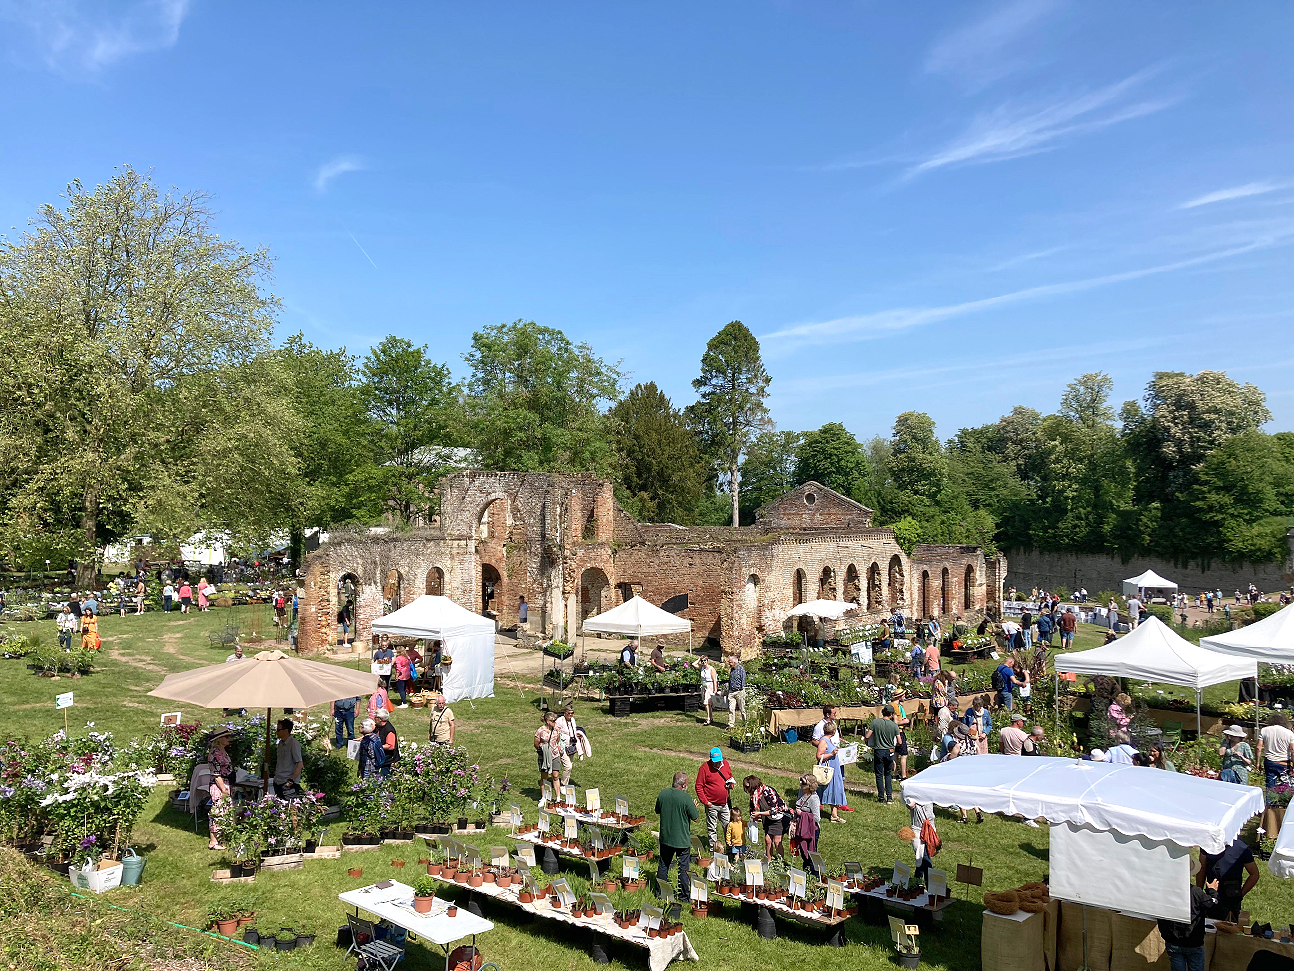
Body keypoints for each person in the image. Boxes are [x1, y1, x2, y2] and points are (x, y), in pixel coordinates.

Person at [1158, 861, 1218, 971]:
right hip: (1193, 942)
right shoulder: (1196, 892)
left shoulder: (1166, 891)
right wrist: (1212, 891)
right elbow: (1211, 904)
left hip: (1173, 940)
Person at [655, 771, 698, 902]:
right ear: (684, 785)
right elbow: (695, 817)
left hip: (666, 838)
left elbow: (657, 810)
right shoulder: (686, 799)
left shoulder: (663, 794)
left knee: (663, 866)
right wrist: (693, 806)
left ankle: (660, 893)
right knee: (683, 869)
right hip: (682, 840)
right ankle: (684, 896)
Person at [1199, 838, 1260, 922]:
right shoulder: (1207, 845)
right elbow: (1202, 868)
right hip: (1211, 894)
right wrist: (1199, 892)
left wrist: (1240, 895)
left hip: (1231, 898)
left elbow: (1254, 874)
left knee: (1229, 929)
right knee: (1209, 927)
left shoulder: (1241, 848)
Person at [695, 746, 735, 849]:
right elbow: (699, 786)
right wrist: (706, 802)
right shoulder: (704, 768)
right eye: (715, 761)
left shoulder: (725, 764)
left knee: (728, 826)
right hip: (711, 804)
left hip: (724, 803)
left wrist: (731, 785)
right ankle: (714, 848)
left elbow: (730, 776)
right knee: (712, 828)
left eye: (719, 761)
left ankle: (730, 847)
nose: (717, 763)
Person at [744, 774, 788, 861]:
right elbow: (752, 809)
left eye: (747, 786)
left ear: (753, 785)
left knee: (777, 841)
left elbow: (774, 810)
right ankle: (769, 861)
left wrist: (760, 813)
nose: (745, 789)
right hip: (768, 818)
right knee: (768, 840)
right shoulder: (754, 795)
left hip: (779, 817)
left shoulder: (767, 791)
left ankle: (781, 862)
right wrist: (755, 817)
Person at [205, 728, 235, 850]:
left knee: (225, 810)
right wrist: (223, 790)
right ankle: (213, 841)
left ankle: (221, 838)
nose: (229, 739)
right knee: (217, 811)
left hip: (226, 783)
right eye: (226, 737)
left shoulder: (223, 751)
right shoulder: (214, 753)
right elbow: (216, 774)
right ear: (219, 739)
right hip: (219, 785)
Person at [865, 707, 899, 806]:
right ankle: (889, 798)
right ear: (892, 714)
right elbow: (899, 741)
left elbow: (867, 736)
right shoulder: (894, 725)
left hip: (879, 750)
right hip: (889, 751)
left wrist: (867, 742)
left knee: (879, 775)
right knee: (888, 774)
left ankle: (881, 798)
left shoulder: (875, 722)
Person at [816, 718, 849, 819]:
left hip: (834, 768)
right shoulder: (823, 741)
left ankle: (834, 814)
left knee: (835, 789)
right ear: (833, 731)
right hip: (828, 768)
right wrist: (831, 753)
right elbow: (819, 756)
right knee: (825, 789)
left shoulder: (828, 740)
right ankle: (816, 811)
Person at [792, 774, 821, 876]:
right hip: (801, 828)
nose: (800, 784)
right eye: (800, 781)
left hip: (811, 830)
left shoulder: (814, 798)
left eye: (803, 782)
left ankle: (815, 875)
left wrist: (802, 814)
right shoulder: (801, 792)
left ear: (809, 785)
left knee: (811, 854)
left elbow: (817, 818)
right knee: (804, 853)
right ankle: (806, 874)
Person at [1258, 714, 1294, 788]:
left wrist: (1258, 763)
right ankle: (1285, 799)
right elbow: (1293, 750)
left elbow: (1258, 747)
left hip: (1270, 761)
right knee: (1286, 785)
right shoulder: (1289, 733)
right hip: (1284, 762)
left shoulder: (1264, 730)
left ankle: (1269, 799)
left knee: (1270, 785)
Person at [273, 719, 304, 795]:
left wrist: (290, 781)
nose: (276, 732)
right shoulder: (280, 743)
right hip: (278, 781)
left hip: (288, 783)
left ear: (286, 730)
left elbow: (299, 764)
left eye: (278, 730)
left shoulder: (293, 743)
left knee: (290, 806)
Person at [553, 704, 578, 786]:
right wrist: (558, 745)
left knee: (569, 766)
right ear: (565, 713)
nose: (570, 715)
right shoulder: (560, 721)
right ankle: (563, 785)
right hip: (562, 747)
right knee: (568, 766)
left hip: (571, 746)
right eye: (569, 713)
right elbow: (556, 732)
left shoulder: (573, 720)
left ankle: (565, 783)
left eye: (572, 713)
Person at [535, 711, 558, 796]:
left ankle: (558, 798)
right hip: (544, 756)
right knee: (544, 777)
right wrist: (544, 750)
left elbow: (557, 739)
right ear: (548, 721)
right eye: (553, 721)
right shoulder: (540, 730)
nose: (555, 722)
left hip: (555, 755)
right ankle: (544, 797)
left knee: (555, 775)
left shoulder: (556, 729)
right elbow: (536, 743)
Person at [373, 708, 399, 776]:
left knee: (385, 778)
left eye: (375, 717)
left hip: (388, 760)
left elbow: (390, 746)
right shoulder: (378, 726)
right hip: (380, 757)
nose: (374, 718)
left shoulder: (389, 730)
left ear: (380, 719)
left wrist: (376, 746)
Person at [696, 655, 719, 725]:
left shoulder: (711, 669)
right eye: (702, 661)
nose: (703, 662)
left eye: (705, 661)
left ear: (707, 661)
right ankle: (710, 717)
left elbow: (714, 680)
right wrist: (699, 659)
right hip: (704, 686)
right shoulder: (702, 668)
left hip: (710, 686)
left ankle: (708, 718)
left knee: (706, 703)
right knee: (707, 703)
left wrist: (715, 689)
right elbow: (693, 664)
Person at [726, 655, 747, 729]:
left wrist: (741, 689)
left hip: (739, 691)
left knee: (742, 709)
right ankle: (731, 725)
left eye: (730, 662)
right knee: (731, 709)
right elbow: (730, 680)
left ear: (735, 662)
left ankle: (745, 723)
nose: (729, 663)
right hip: (732, 692)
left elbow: (743, 679)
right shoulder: (732, 669)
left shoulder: (741, 669)